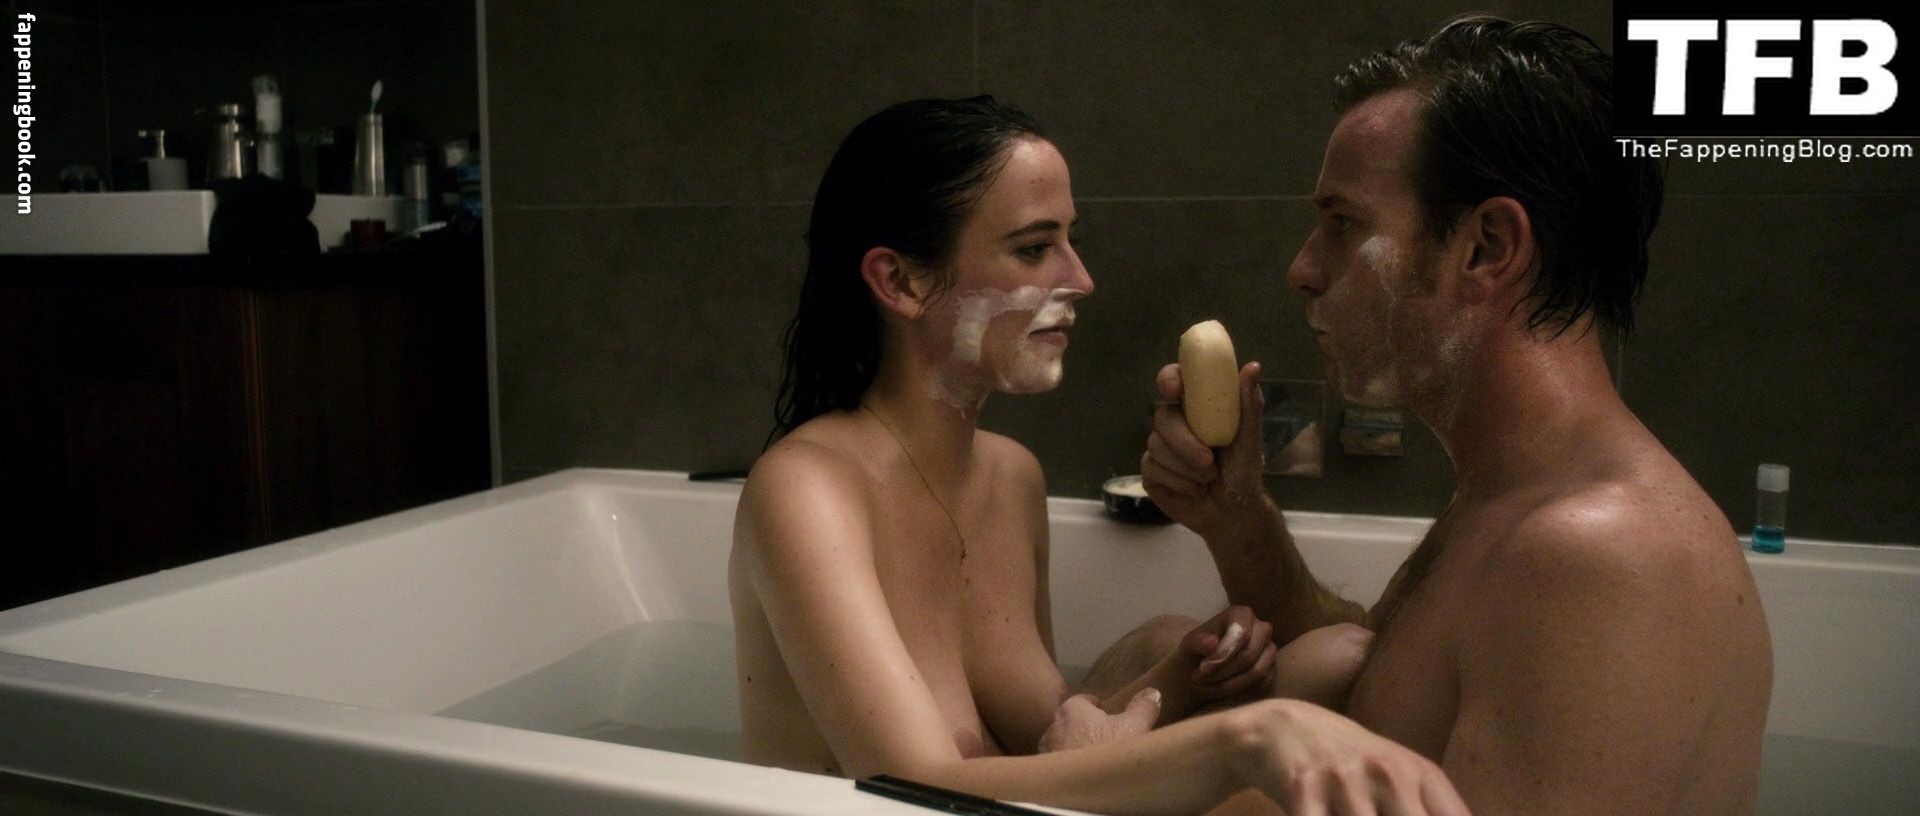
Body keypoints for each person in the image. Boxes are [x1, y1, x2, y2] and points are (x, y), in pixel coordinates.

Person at [729, 96, 1469, 815]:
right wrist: (1243, 739)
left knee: (1328, 661)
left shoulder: (1009, 477)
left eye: (1071, 240)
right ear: (901, 281)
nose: (1080, 280)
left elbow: (1044, 750)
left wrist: (1180, 679)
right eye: (1033, 248)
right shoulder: (807, 490)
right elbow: (912, 786)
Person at [1143, 17, 1774, 816]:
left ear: (1486, 248)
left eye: (1343, 223)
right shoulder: (1512, 497)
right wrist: (1239, 520)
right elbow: (1385, 687)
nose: (1302, 268)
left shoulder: (1603, 556)